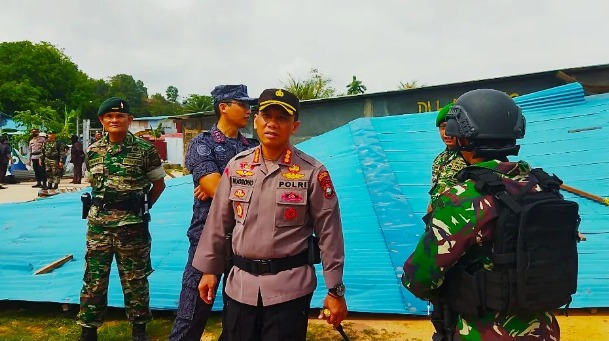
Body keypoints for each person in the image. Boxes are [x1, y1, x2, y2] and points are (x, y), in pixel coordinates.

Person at [402, 89, 580, 341]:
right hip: (544, 330)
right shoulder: (543, 187)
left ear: (463, 136)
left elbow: (417, 278)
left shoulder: (464, 198)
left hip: (482, 332)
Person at [192, 88, 348, 341]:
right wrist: (210, 270)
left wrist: (335, 290)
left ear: (294, 126)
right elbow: (218, 223)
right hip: (239, 287)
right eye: (267, 116)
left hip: (289, 290)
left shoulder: (312, 172)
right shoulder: (237, 167)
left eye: (282, 118)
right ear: (256, 120)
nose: (272, 124)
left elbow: (330, 234)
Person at [169, 84, 259, 341]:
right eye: (242, 105)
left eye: (249, 106)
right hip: (207, 237)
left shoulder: (254, 148)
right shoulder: (202, 143)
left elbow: (224, 190)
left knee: (241, 315)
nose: (248, 111)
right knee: (192, 309)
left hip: (245, 238)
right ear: (223, 107)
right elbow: (213, 185)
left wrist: (220, 188)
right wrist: (217, 187)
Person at [76, 97, 167, 341]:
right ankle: (88, 330)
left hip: (132, 226)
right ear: (102, 121)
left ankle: (139, 330)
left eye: (120, 116)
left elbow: (159, 185)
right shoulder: (93, 151)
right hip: (98, 227)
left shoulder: (144, 150)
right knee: (94, 279)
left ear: (130, 120)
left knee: (135, 279)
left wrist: (141, 208)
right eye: (109, 117)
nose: (114, 120)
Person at [427, 103, 468, 213]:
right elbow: (435, 193)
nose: (446, 134)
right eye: (443, 127)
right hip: (438, 221)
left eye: (450, 127)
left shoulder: (470, 158)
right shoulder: (439, 159)